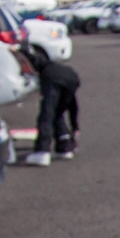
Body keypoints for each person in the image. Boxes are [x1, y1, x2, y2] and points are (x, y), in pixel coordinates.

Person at [21, 38, 80, 166]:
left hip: (53, 79)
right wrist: (75, 126)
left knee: (46, 114)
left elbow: (30, 58)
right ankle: (64, 146)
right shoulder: (53, 65)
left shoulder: (44, 70)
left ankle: (42, 152)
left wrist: (20, 49)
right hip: (72, 78)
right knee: (58, 112)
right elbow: (73, 106)